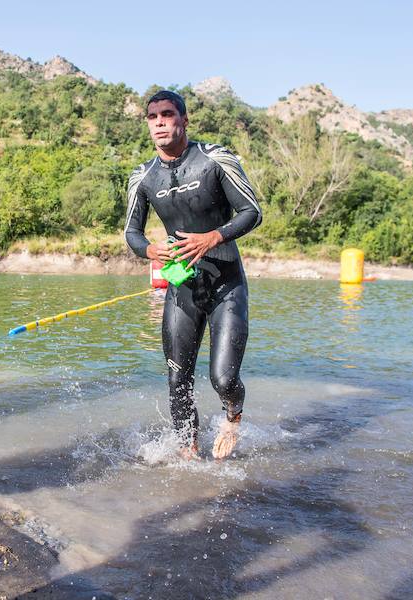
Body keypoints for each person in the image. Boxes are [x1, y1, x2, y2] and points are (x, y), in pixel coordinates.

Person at [124, 90, 263, 460]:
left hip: (225, 282)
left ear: (184, 120)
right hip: (181, 287)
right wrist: (151, 250)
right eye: (152, 117)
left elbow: (251, 211)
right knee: (177, 381)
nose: (159, 122)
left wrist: (213, 237)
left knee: (223, 379)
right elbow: (131, 234)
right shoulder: (143, 177)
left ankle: (232, 416)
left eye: (167, 114)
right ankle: (188, 454)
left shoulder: (214, 159)